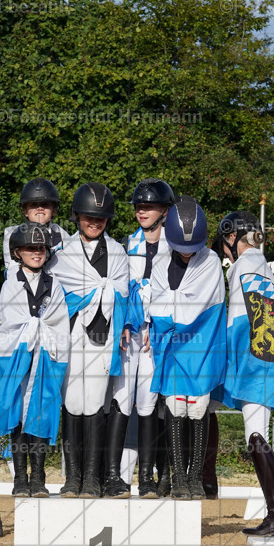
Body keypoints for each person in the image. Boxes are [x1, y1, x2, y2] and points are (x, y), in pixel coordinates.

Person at [0, 222, 70, 525]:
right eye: (31, 248)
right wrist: (30, 329)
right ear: (18, 252)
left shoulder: (54, 284)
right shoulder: (11, 283)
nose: (36, 253)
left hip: (44, 357)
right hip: (19, 357)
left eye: (41, 248)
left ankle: (39, 474)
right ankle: (21, 475)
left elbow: (59, 321)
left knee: (40, 412)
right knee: (18, 414)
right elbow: (10, 320)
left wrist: (41, 331)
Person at [213, 210, 274, 535]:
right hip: (264, 349)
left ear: (232, 238)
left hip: (256, 352)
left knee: (255, 434)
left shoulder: (245, 264)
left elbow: (237, 320)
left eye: (225, 245)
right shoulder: (261, 265)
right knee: (249, 430)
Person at [53, 183, 130, 498]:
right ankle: (73, 476)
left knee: (96, 403)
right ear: (77, 216)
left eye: (100, 217)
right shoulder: (62, 255)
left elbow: (123, 295)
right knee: (72, 402)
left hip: (103, 336)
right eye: (88, 216)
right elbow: (56, 297)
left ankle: (93, 478)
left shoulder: (119, 253)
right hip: (71, 335)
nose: (94, 222)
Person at [148, 197, 226, 499]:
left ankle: (196, 475)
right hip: (170, 342)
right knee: (175, 405)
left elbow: (206, 302)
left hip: (202, 341)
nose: (186, 254)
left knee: (199, 405)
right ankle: (178, 474)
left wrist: (172, 308)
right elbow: (157, 299)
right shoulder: (159, 262)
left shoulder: (210, 261)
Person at [106, 178, 174, 498]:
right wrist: (121, 324)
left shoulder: (175, 250)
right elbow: (118, 293)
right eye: (139, 206)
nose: (142, 211)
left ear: (164, 211)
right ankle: (112, 476)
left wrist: (160, 328)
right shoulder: (124, 246)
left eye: (149, 206)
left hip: (155, 337)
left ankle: (146, 477)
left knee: (148, 403)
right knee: (122, 400)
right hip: (128, 334)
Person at [2, 178, 67, 278]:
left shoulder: (62, 235)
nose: (39, 208)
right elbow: (13, 271)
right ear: (25, 211)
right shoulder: (13, 234)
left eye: (45, 204)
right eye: (33, 204)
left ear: (54, 211)